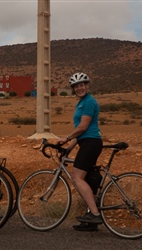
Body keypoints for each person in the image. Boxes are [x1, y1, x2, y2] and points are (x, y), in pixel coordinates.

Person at [57, 72, 103, 231]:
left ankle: (95, 214)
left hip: (91, 143)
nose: (79, 88)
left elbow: (83, 127)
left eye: (82, 85)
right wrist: (68, 149)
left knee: (76, 177)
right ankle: (90, 221)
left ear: (87, 85)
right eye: (76, 86)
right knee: (88, 180)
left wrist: (66, 138)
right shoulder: (82, 103)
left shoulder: (89, 102)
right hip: (87, 142)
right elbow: (82, 132)